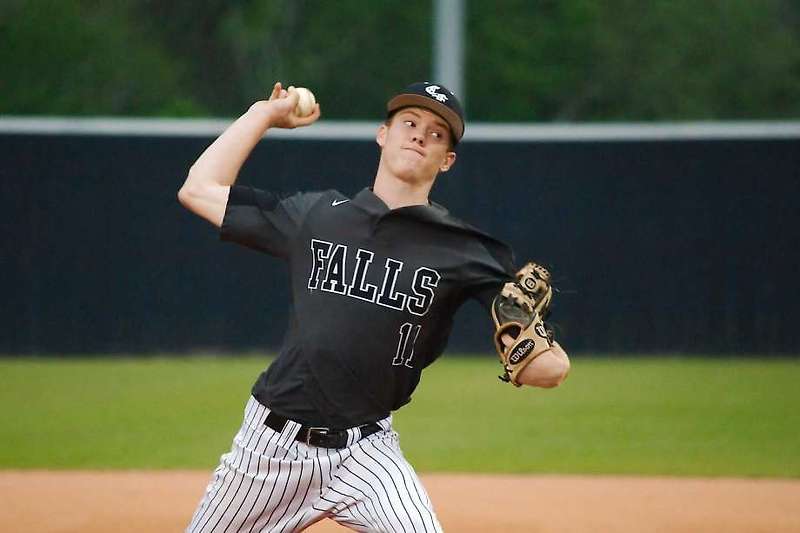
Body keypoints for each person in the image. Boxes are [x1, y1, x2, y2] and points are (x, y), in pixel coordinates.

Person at [179, 81, 571, 532]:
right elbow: (198, 189)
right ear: (383, 134)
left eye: (436, 133)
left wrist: (534, 344)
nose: (420, 135)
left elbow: (550, 369)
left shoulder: (467, 250)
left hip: (367, 453)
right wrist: (262, 116)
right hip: (270, 449)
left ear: (447, 160)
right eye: (409, 122)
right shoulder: (319, 215)